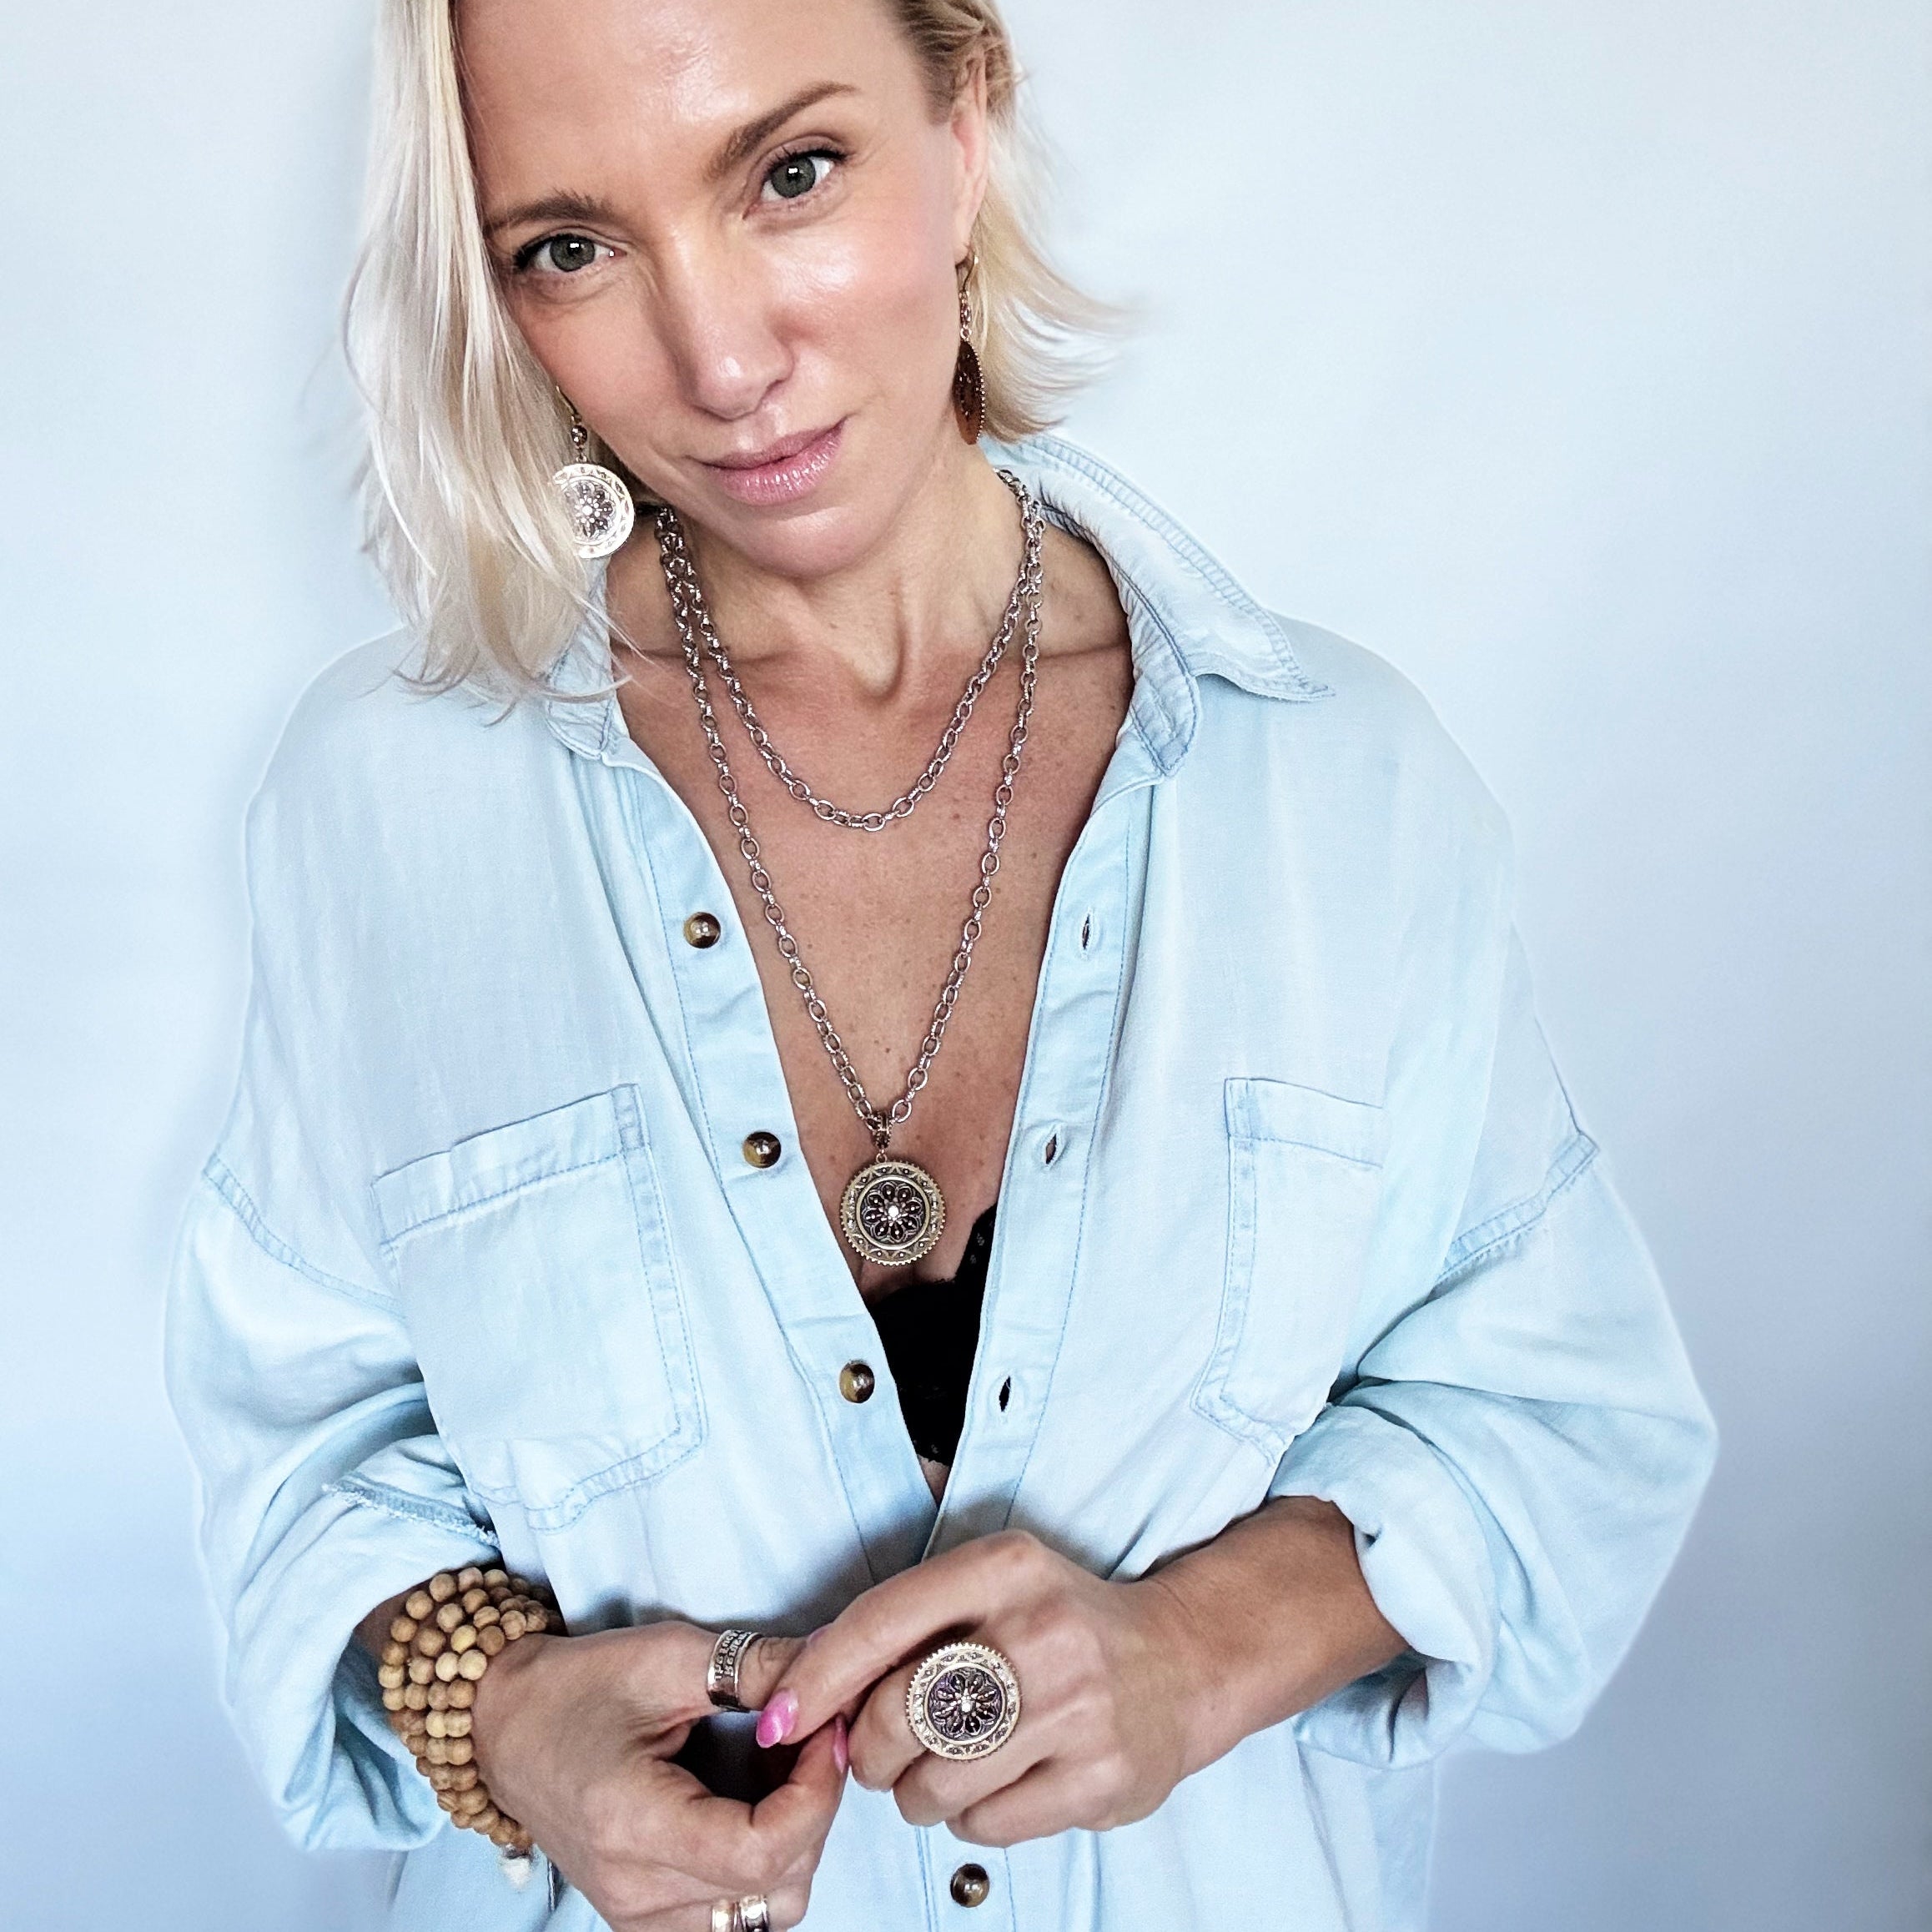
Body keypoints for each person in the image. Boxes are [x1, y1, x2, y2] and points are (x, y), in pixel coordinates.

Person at [164, 0, 1718, 1926]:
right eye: (571, 247)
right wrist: (508, 1722)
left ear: (967, 120)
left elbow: (1558, 1420)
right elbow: (313, 1452)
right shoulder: (390, 805)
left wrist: (1201, 1652)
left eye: (791, 174)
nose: (722, 359)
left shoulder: (1337, 790)